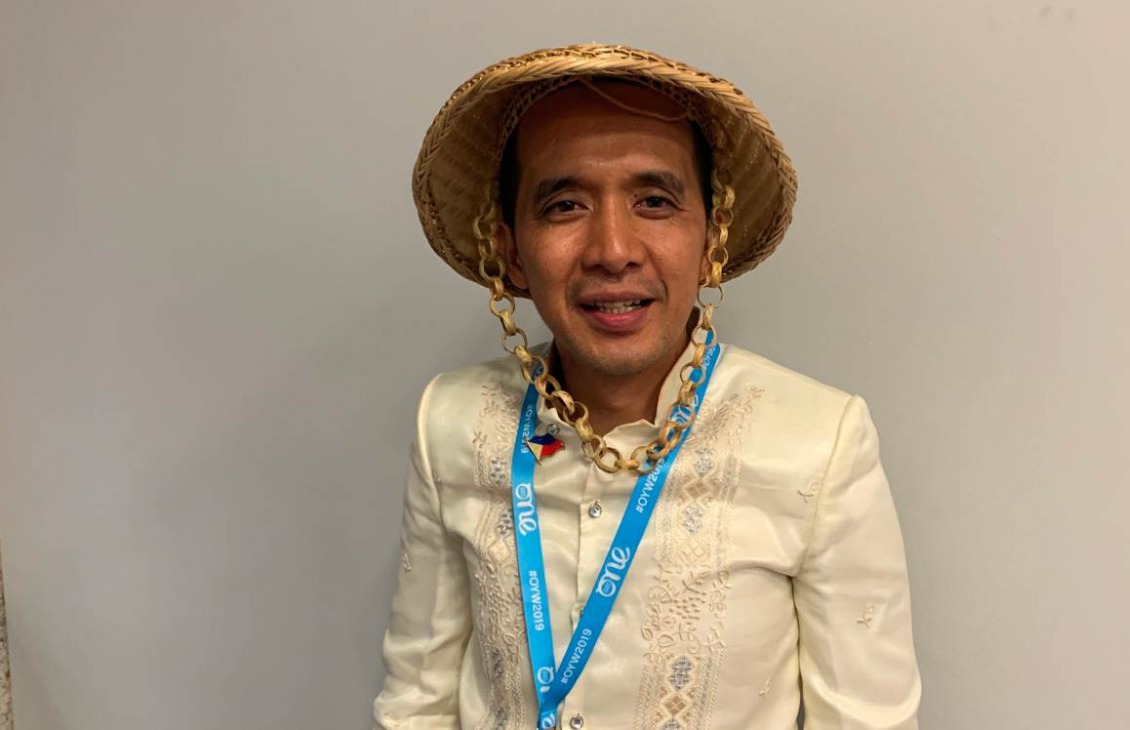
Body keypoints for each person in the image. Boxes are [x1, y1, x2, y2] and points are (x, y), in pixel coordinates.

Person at [373, 44, 921, 729]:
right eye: (565, 205)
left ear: (711, 237)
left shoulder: (819, 441)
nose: (613, 250)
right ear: (511, 251)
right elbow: (415, 704)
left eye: (655, 202)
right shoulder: (451, 423)